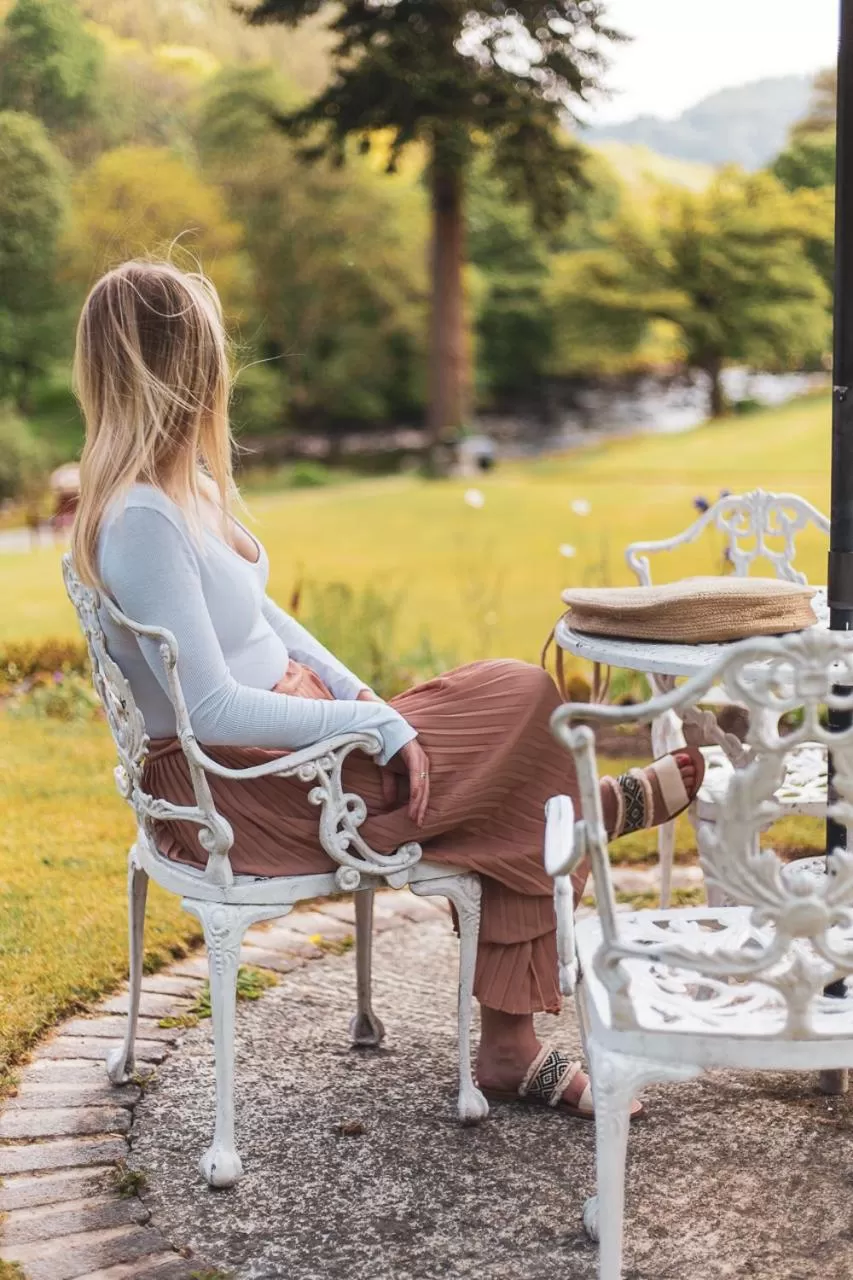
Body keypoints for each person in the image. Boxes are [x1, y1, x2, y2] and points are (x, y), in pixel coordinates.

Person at [71, 261, 703, 1119]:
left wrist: (365, 700)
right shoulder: (142, 520)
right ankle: (576, 838)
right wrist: (366, 723)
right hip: (248, 785)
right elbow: (211, 708)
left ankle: (567, 844)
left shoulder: (186, 490)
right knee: (523, 711)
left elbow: (270, 627)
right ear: (184, 368)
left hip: (300, 741)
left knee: (508, 696)